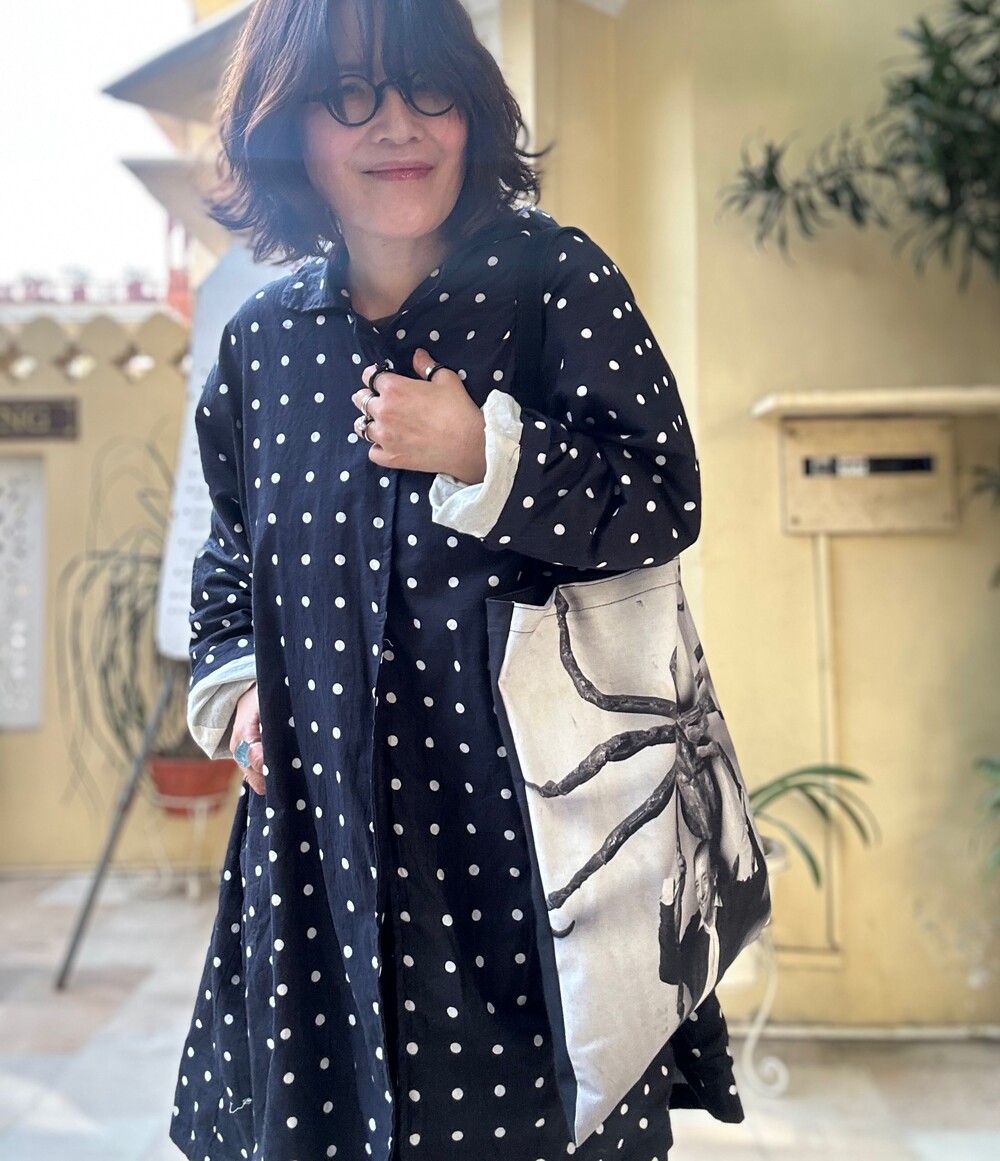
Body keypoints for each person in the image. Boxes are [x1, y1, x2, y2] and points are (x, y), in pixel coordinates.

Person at [171, 1, 748, 1158]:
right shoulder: (264, 341)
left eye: (427, 86)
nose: (397, 124)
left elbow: (662, 498)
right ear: (288, 128)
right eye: (350, 94)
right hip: (323, 855)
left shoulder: (554, 284)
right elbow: (231, 553)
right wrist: (237, 695)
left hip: (528, 850)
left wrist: (487, 451)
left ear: (471, 105)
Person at [658, 839, 770, 1014]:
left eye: (704, 880)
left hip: (734, 1004)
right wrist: (668, 901)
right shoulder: (694, 931)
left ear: (714, 877)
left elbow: (759, 883)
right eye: (696, 885)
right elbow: (669, 973)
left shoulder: (733, 904)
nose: (701, 894)